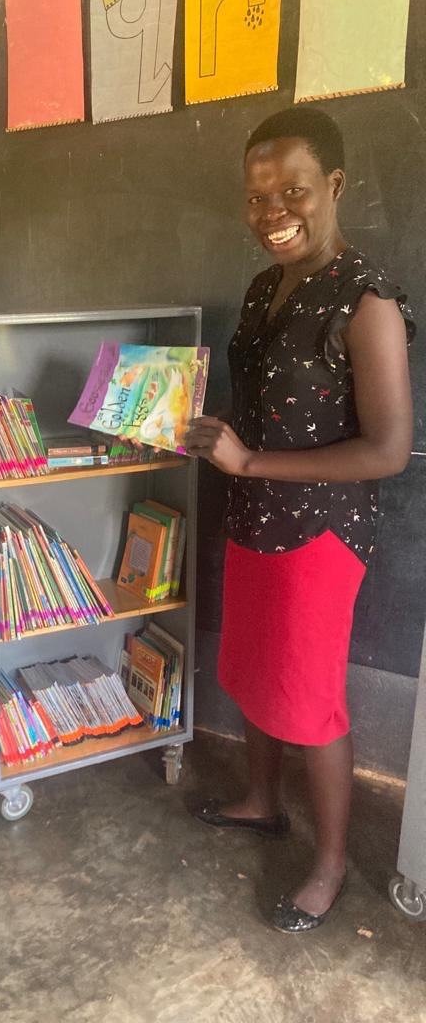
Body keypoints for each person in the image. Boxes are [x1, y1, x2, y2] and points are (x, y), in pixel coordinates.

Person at [184, 107, 415, 933]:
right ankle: (260, 800)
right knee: (252, 671)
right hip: (253, 514)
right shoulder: (262, 288)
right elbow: (264, 408)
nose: (273, 212)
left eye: (293, 191)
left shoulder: (368, 300)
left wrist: (247, 462)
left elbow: (388, 449)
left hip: (320, 531)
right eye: (256, 197)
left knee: (312, 699)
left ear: (336, 186)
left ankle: (330, 862)